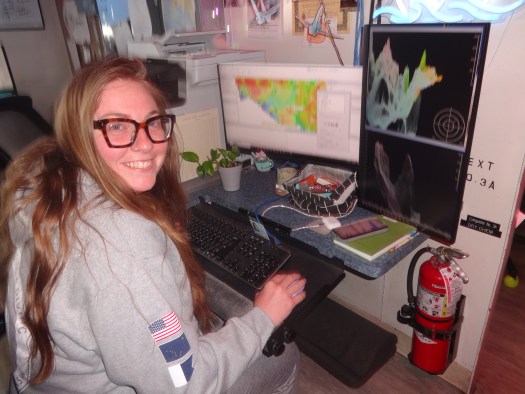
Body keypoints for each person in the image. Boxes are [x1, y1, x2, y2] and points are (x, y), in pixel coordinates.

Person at [0, 57, 306, 393]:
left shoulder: (49, 190)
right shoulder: (122, 246)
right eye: (116, 125)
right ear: (78, 135)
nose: (146, 143)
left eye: (153, 122)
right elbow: (184, 382)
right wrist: (262, 317)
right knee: (282, 355)